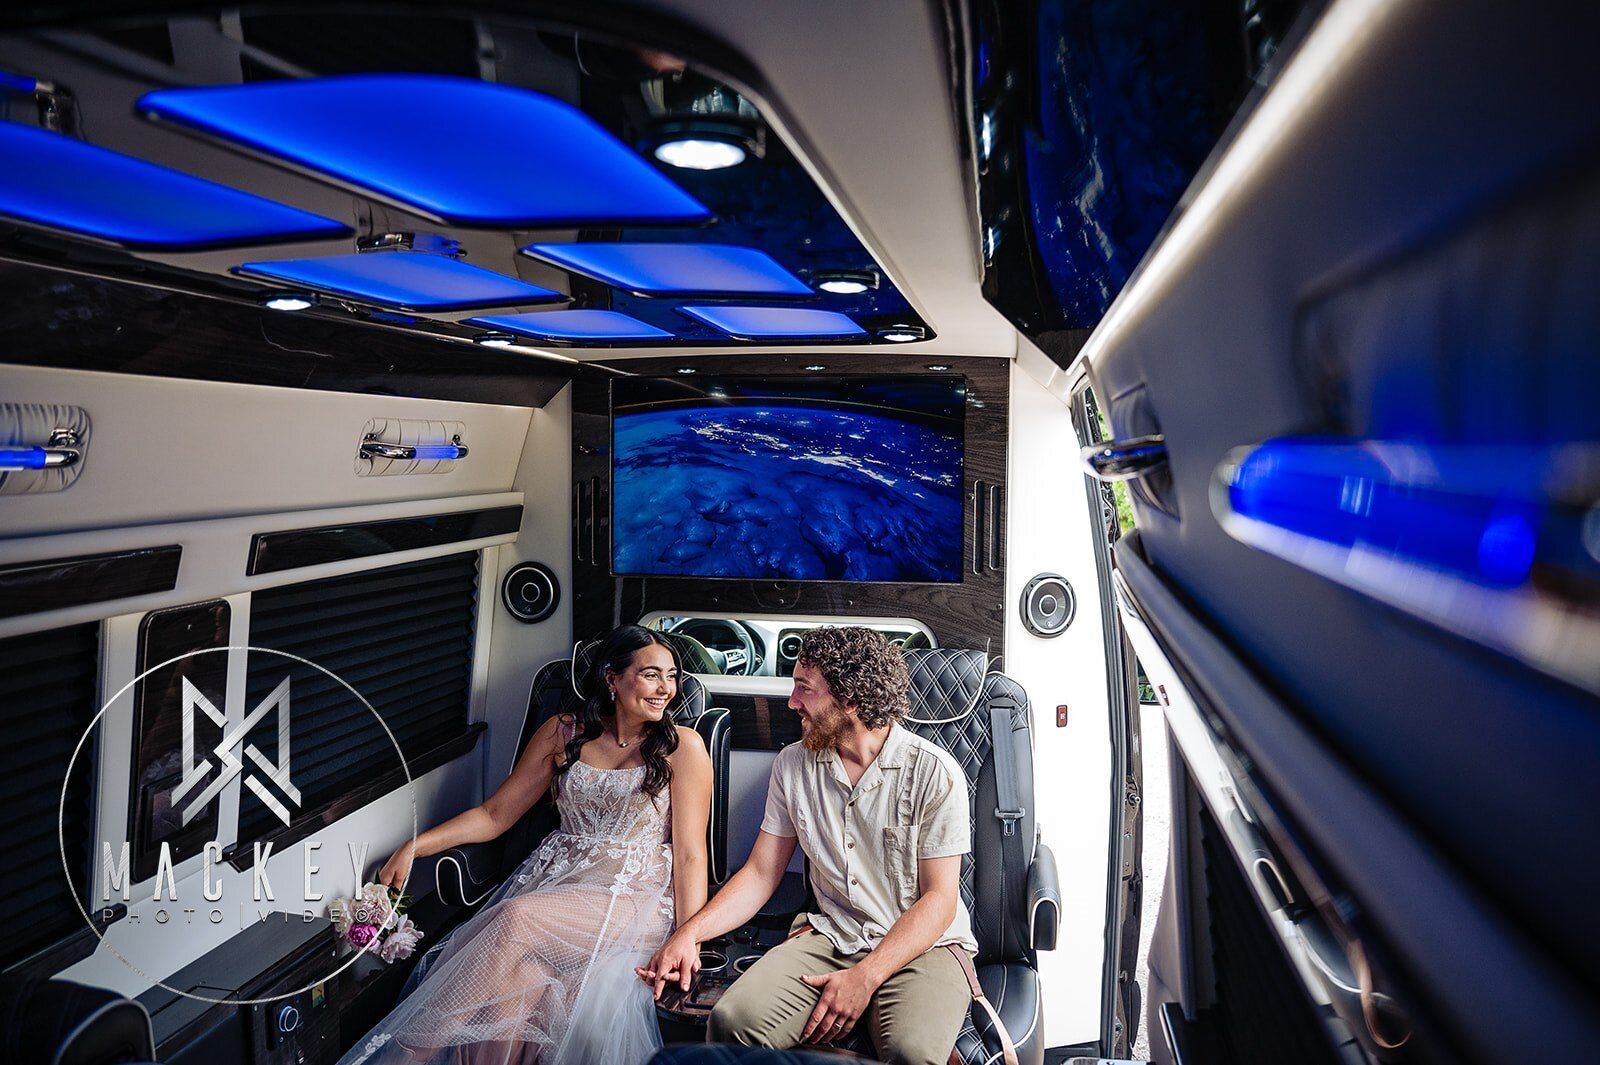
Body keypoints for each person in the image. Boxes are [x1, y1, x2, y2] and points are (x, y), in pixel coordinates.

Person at [341, 624, 713, 1065]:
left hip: (632, 899)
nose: (666, 689)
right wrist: (416, 846)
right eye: (652, 674)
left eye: (672, 677)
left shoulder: (681, 747)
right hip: (556, 883)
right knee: (514, 992)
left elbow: (691, 855)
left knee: (515, 920)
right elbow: (495, 815)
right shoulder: (563, 733)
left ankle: (404, 1057)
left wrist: (690, 940)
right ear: (612, 679)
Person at [639, 626, 977, 1065]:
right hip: (833, 935)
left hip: (922, 947)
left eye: (804, 689)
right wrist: (689, 935)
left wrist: (865, 978)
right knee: (731, 1023)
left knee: (912, 1053)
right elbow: (761, 874)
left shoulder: (935, 773)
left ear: (850, 699)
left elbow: (939, 900)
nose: (792, 702)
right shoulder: (793, 765)